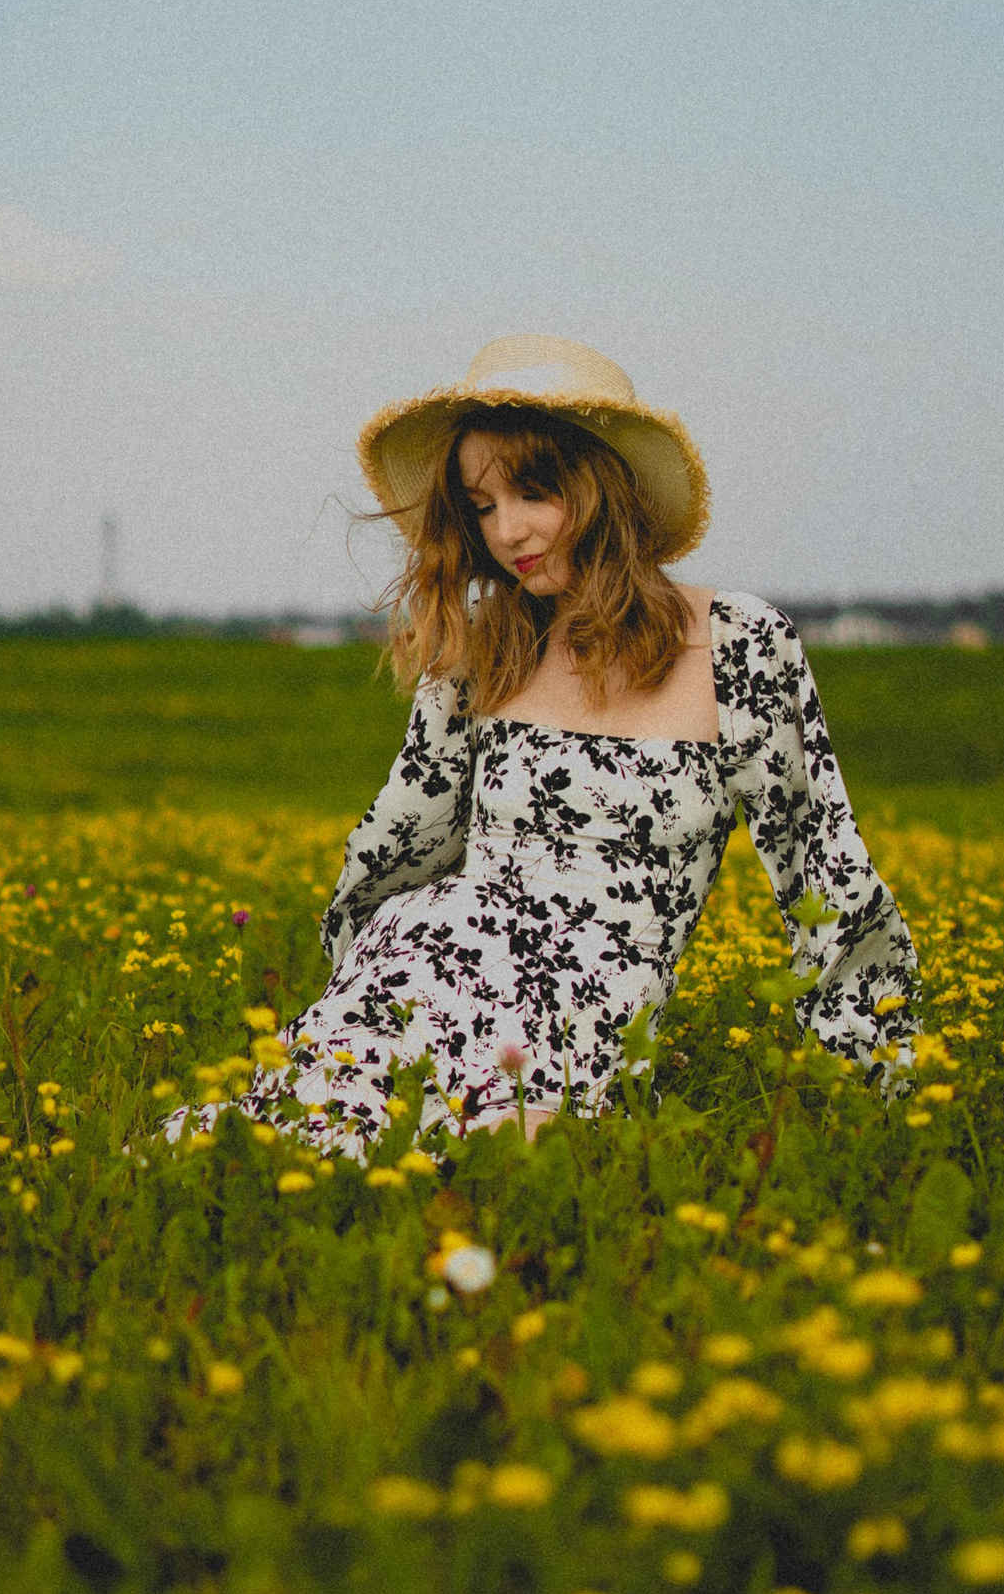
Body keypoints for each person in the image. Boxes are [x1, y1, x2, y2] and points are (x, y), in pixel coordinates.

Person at [195, 333, 917, 1155]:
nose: (507, 531)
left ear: (602, 484)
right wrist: (350, 984)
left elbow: (824, 868)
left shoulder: (740, 644)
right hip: (425, 959)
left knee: (456, 1159)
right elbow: (401, 843)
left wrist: (875, 1090)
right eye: (482, 505)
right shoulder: (480, 650)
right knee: (264, 1154)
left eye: (532, 491)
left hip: (590, 1011)